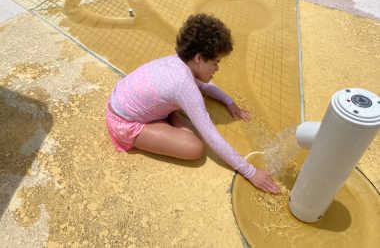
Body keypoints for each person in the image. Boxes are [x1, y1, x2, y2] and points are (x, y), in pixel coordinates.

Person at [105, 13, 280, 194]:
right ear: (198, 58)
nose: (217, 69)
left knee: (184, 101)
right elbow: (212, 136)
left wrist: (229, 102)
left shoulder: (176, 62)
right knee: (194, 148)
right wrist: (251, 173)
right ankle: (172, 115)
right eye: (215, 63)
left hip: (118, 98)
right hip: (124, 124)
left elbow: (204, 85)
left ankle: (170, 112)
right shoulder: (184, 85)